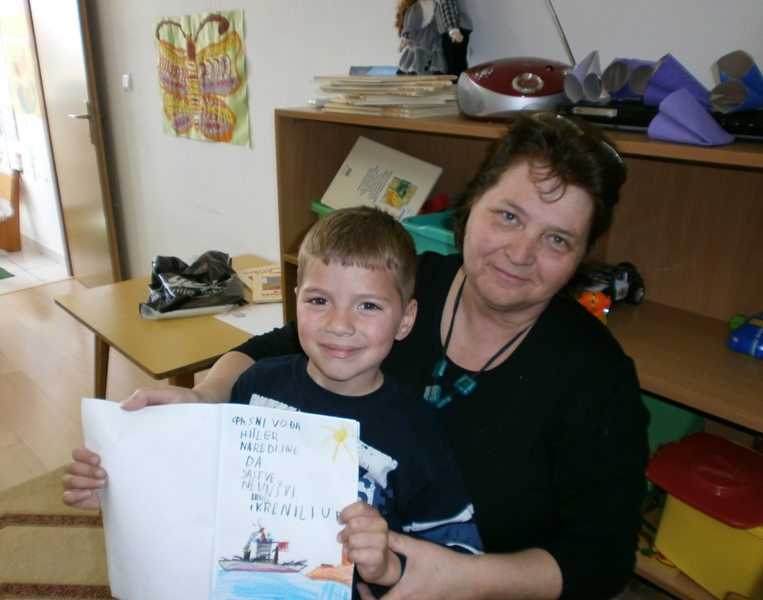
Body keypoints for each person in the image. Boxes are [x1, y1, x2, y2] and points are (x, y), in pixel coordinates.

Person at [64, 112, 650, 600]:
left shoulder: (593, 375)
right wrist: (203, 402)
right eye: (509, 215)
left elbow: (602, 559)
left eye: (557, 239)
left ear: (581, 257)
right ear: (472, 206)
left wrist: (462, 578)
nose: (521, 252)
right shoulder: (407, 285)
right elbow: (272, 350)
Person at [67, 206, 483, 597]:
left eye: (368, 306)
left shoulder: (417, 430)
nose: (339, 324)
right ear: (296, 300)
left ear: (405, 320)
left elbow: (461, 553)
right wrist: (118, 491)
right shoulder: (256, 385)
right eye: (319, 301)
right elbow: (204, 491)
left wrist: (388, 566)